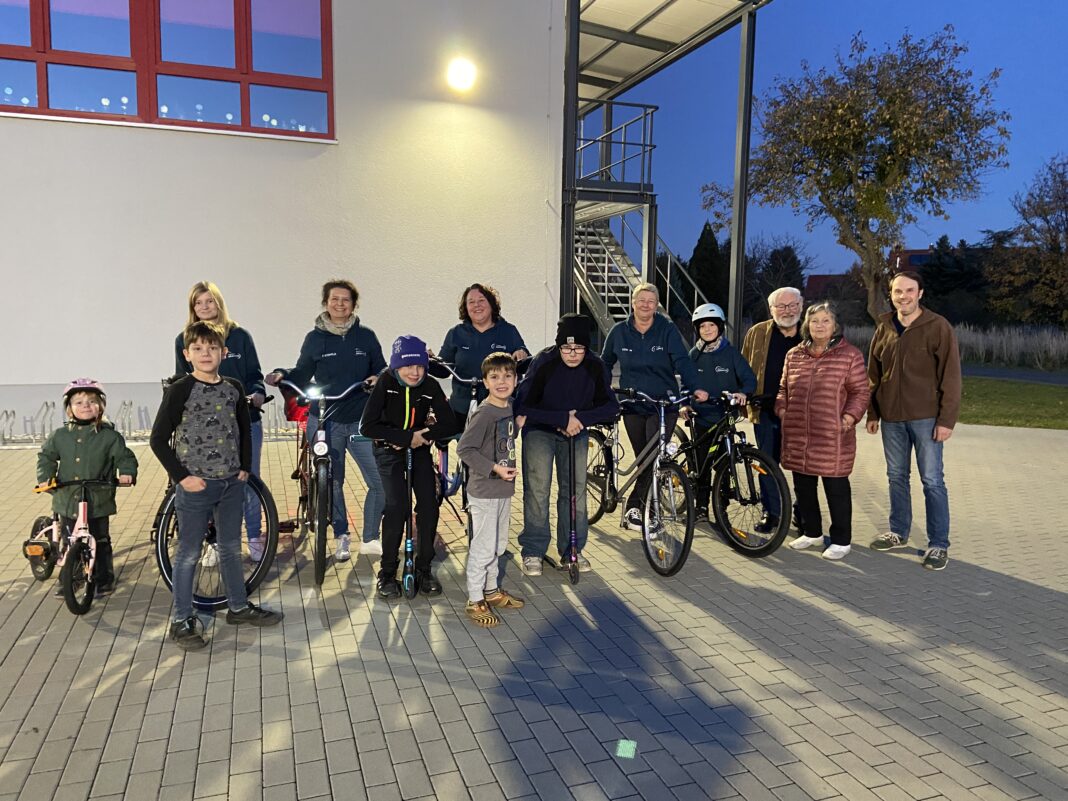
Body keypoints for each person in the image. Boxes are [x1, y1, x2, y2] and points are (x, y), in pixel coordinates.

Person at [152, 321, 282, 650]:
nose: (205, 354)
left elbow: (243, 428)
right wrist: (182, 477)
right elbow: (157, 440)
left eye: (212, 348)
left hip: (230, 484)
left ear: (223, 352)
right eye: (198, 349)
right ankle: (181, 619)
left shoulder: (234, 387)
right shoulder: (180, 389)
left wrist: (243, 470)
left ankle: (237, 607)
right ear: (187, 354)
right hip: (196, 486)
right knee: (189, 554)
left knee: (228, 548)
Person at [265, 279, 386, 561]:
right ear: (326, 302)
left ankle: (370, 537)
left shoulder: (366, 337)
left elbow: (380, 367)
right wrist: (282, 373)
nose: (340, 304)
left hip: (360, 420)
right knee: (331, 480)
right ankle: (341, 534)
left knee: (379, 480)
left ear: (354, 305)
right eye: (334, 299)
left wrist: (377, 377)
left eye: (346, 300)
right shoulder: (315, 338)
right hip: (324, 420)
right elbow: (302, 372)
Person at [866, 271, 961, 571]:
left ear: (920, 293)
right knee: (896, 477)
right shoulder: (883, 327)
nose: (903, 296)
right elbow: (873, 374)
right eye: (897, 291)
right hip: (891, 418)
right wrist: (873, 413)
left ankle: (938, 544)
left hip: (926, 418)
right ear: (891, 294)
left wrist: (946, 420)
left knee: (932, 481)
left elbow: (952, 376)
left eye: (909, 290)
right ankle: (898, 532)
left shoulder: (937, 326)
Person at [516, 314, 619, 575]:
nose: (572, 354)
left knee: (575, 491)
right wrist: (562, 418)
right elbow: (522, 405)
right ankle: (534, 550)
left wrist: (578, 419)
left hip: (576, 431)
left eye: (579, 348)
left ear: (587, 347)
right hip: (540, 430)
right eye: (566, 348)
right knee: (538, 490)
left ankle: (572, 548)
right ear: (558, 345)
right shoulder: (544, 362)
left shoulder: (595, 366)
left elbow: (611, 406)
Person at [174, 281, 268, 561]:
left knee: (247, 480)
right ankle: (213, 542)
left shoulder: (239, 336)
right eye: (198, 303)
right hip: (204, 429)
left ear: (219, 303)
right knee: (208, 485)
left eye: (209, 301)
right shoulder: (183, 339)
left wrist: (259, 393)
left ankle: (253, 536)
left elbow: (255, 374)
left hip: (243, 422)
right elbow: (182, 380)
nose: (204, 307)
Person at [602, 284, 707, 532]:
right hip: (633, 403)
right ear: (633, 302)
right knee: (643, 458)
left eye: (651, 301)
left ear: (656, 304)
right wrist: (602, 391)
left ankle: (635, 509)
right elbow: (605, 362)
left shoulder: (666, 330)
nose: (646, 305)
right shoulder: (619, 332)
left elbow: (682, 361)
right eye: (641, 300)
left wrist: (695, 388)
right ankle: (644, 509)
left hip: (663, 404)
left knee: (652, 458)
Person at [360, 336, 457, 599]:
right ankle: (388, 572)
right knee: (397, 507)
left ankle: (423, 569)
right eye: (408, 367)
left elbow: (449, 424)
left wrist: (422, 434)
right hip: (389, 451)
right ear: (396, 367)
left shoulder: (430, 386)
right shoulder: (386, 384)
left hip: (420, 450)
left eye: (420, 367)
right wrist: (403, 437)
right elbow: (367, 426)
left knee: (428, 504)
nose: (415, 373)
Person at [775, 302, 869, 560]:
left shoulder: (850, 355)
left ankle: (841, 540)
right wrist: (782, 408)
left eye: (825, 320)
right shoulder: (794, 354)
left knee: (835, 486)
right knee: (803, 485)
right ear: (807, 324)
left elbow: (861, 391)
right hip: (798, 432)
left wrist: (849, 417)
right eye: (814, 320)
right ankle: (812, 532)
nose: (819, 325)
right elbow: (783, 387)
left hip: (832, 433)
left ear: (835, 325)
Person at [36, 379, 137, 597]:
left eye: (92, 401)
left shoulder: (109, 436)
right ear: (69, 408)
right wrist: (46, 477)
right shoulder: (60, 436)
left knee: (100, 538)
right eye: (79, 402)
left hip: (98, 498)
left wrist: (127, 473)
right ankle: (70, 579)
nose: (85, 406)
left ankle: (104, 578)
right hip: (68, 496)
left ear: (100, 406)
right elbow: (46, 457)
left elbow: (124, 456)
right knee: (69, 538)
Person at [457, 352, 525, 627]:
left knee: (497, 546)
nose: (502, 381)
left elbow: (501, 441)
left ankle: (491, 591)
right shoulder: (485, 412)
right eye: (494, 377)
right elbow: (465, 449)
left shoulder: (508, 407)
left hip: (502, 490)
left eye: (508, 376)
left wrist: (517, 427)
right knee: (483, 547)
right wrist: (494, 469)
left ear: (516, 379)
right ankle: (475, 599)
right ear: (485, 381)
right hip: (484, 490)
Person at [741, 286, 804, 533]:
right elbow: (744, 368)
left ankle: (803, 512)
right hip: (765, 412)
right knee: (767, 464)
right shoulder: (756, 333)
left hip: (802, 414)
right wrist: (744, 400)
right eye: (781, 306)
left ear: (801, 305)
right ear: (771, 309)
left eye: (792, 305)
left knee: (803, 466)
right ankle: (773, 513)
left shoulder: (812, 333)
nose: (787, 311)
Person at [685, 304, 756, 521]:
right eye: (702, 326)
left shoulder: (731, 353)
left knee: (724, 463)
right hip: (702, 417)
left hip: (724, 416)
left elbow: (749, 379)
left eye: (711, 325)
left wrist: (743, 393)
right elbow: (686, 383)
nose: (707, 330)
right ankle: (701, 507)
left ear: (720, 327)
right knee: (702, 464)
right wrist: (685, 403)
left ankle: (721, 505)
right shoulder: (693, 354)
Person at [434, 283, 529, 433]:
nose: (476, 305)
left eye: (481, 300)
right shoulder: (456, 333)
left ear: (491, 304)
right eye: (471, 302)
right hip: (462, 405)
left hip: (498, 404)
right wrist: (428, 361)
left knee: (497, 443)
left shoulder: (508, 331)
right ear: (465, 307)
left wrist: (521, 352)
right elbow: (444, 369)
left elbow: (524, 361)